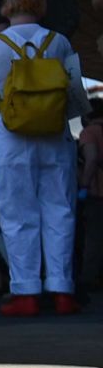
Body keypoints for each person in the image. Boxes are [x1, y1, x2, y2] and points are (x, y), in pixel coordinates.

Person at [0, 0, 79, 316]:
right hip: (55, 137)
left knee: (17, 216)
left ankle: (26, 293)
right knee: (60, 212)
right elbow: (77, 97)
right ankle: (62, 290)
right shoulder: (59, 42)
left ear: (8, 4)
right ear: (39, 3)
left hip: (11, 138)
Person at [77, 98, 103, 292]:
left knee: (94, 237)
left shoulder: (90, 132)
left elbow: (92, 159)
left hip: (97, 192)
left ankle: (90, 278)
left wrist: (84, 185)